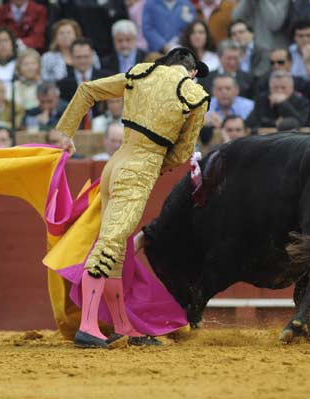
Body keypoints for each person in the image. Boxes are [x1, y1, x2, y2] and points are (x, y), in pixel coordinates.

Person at [56, 47, 210, 348]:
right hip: (140, 169)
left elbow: (87, 90)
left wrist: (66, 133)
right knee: (110, 245)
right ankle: (88, 326)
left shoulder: (140, 72)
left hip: (115, 164)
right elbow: (182, 151)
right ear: (191, 71)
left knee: (117, 249)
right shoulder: (194, 94)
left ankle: (124, 326)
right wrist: (158, 165)